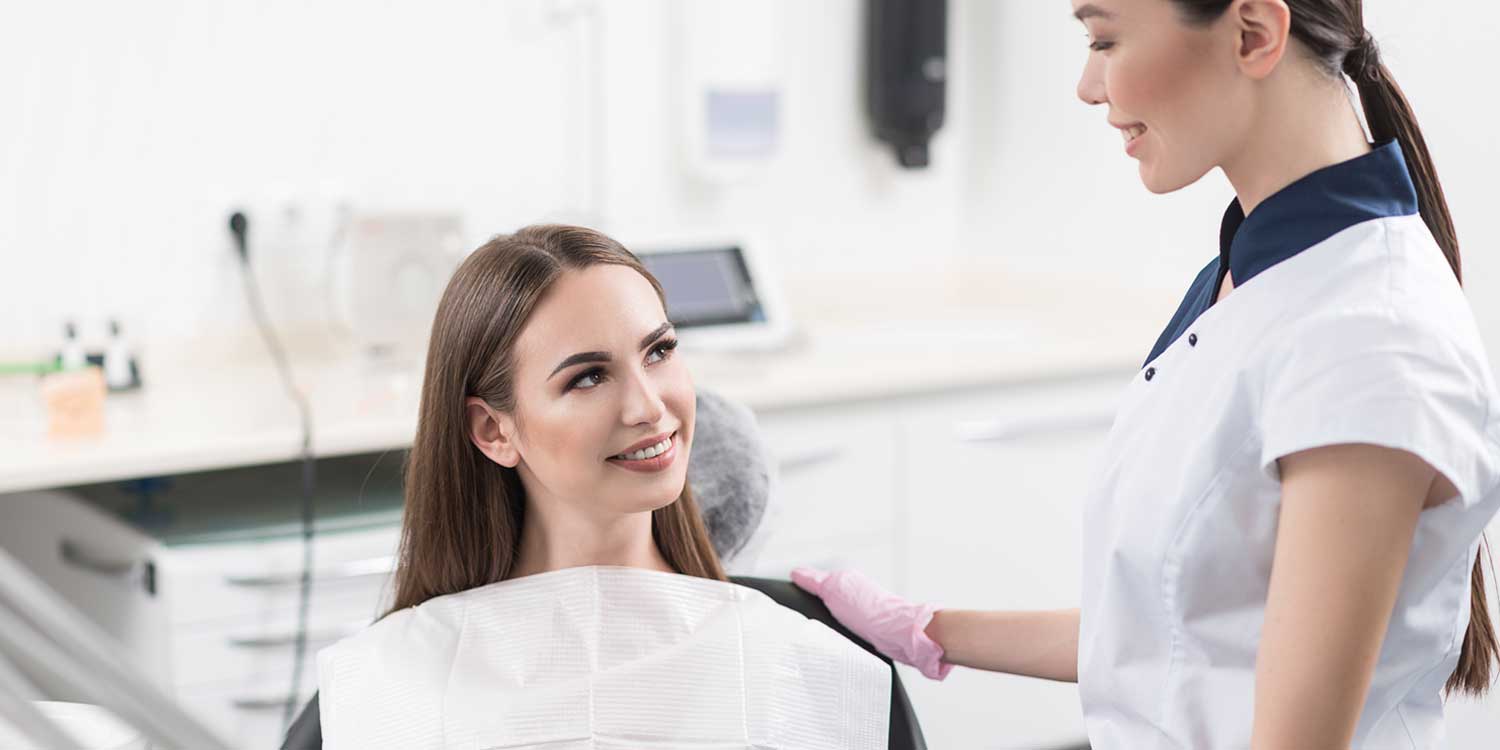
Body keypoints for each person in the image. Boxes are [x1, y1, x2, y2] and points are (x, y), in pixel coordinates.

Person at [793, 1, 1500, 747]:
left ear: (1253, 34)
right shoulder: (1252, 277)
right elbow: (1182, 633)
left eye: (1105, 40)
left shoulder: (1368, 340)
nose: (1087, 86)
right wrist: (925, 630)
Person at [315, 225, 890, 749]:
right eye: (588, 377)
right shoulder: (391, 689)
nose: (649, 407)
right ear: (493, 430)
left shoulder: (801, 660)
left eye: (659, 351)